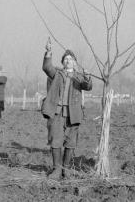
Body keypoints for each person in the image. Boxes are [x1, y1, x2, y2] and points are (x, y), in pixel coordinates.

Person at [41, 39, 93, 180]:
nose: (68, 61)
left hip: (73, 114)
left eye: (70, 59)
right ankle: (56, 170)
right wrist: (48, 52)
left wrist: (87, 77)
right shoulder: (57, 74)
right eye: (65, 59)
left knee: (70, 142)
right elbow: (47, 67)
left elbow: (88, 86)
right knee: (55, 140)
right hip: (56, 113)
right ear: (62, 62)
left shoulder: (79, 77)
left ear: (75, 62)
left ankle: (66, 169)